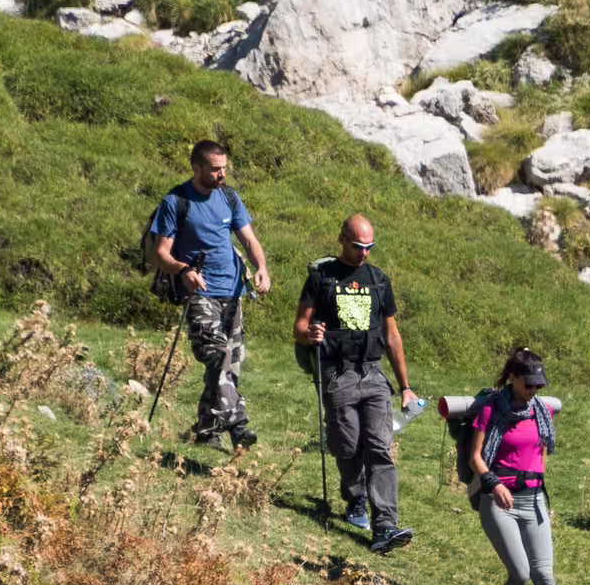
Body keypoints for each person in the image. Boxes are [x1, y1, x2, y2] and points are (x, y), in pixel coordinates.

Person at [293, 214, 417, 554]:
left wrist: (405, 386)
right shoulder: (322, 278)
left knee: (379, 447)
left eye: (369, 247)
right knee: (347, 445)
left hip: (373, 373)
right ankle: (356, 497)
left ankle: (385, 525)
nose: (364, 253)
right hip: (337, 372)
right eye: (358, 245)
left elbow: (392, 335)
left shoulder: (379, 280)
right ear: (342, 240)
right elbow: (299, 328)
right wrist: (311, 334)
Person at [152, 140, 271, 448]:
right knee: (218, 355)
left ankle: (206, 430)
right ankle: (238, 424)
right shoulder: (176, 201)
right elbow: (159, 254)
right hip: (201, 292)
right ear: (197, 168)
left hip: (233, 291)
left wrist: (261, 268)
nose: (222, 175)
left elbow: (249, 239)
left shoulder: (229, 197)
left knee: (230, 363)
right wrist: (182, 269)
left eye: (224, 168)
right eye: (215, 169)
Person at [468, 349, 565, 585]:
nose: (534, 391)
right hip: (499, 502)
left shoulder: (542, 412)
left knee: (545, 575)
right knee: (521, 574)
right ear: (513, 378)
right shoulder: (492, 409)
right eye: (528, 385)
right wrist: (495, 484)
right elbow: (476, 457)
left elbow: (541, 454)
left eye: (539, 387)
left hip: (534, 501)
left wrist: (540, 497)